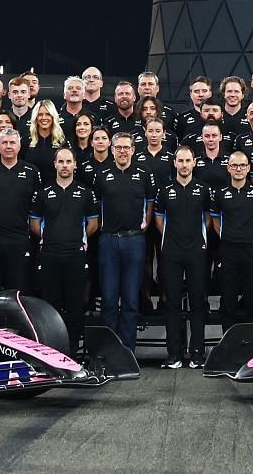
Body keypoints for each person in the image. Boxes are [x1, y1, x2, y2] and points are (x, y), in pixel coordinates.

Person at [92, 134, 156, 353]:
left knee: (130, 299)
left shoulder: (143, 173)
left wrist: (144, 224)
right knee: (109, 299)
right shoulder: (102, 175)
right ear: (112, 150)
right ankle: (110, 351)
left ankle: (127, 351)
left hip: (134, 240)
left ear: (133, 150)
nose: (122, 151)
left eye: (126, 148)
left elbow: (149, 202)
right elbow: (97, 206)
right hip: (108, 240)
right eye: (117, 147)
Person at [31, 147, 98, 352]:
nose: (65, 166)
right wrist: (49, 239)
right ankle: (51, 349)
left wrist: (77, 240)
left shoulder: (85, 193)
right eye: (61, 162)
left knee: (75, 304)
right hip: (50, 254)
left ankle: (73, 350)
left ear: (75, 164)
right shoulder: (43, 193)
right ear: (55, 164)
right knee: (51, 304)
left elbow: (93, 223)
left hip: (75, 254)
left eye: (69, 162)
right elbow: (34, 222)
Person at [154, 146, 212, 367]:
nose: (184, 165)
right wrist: (172, 238)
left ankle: (197, 353)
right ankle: (174, 355)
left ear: (194, 162)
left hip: (197, 251)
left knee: (198, 303)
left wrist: (197, 237)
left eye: (188, 160)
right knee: (173, 304)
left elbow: (209, 218)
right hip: (171, 252)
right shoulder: (165, 189)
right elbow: (159, 220)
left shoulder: (203, 189)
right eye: (181, 161)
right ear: (175, 163)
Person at [0, 127, 41, 296]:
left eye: (12, 143)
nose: (8, 146)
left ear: (19, 146)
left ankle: (16, 324)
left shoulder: (31, 172)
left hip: (19, 239)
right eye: (4, 142)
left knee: (18, 292)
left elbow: (38, 207)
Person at [212, 149, 253, 326]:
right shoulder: (220, 193)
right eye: (234, 165)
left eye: (242, 165)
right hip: (228, 249)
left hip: (252, 249)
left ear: (248, 168)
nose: (238, 169)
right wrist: (229, 236)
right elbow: (215, 221)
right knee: (228, 298)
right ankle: (228, 347)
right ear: (228, 168)